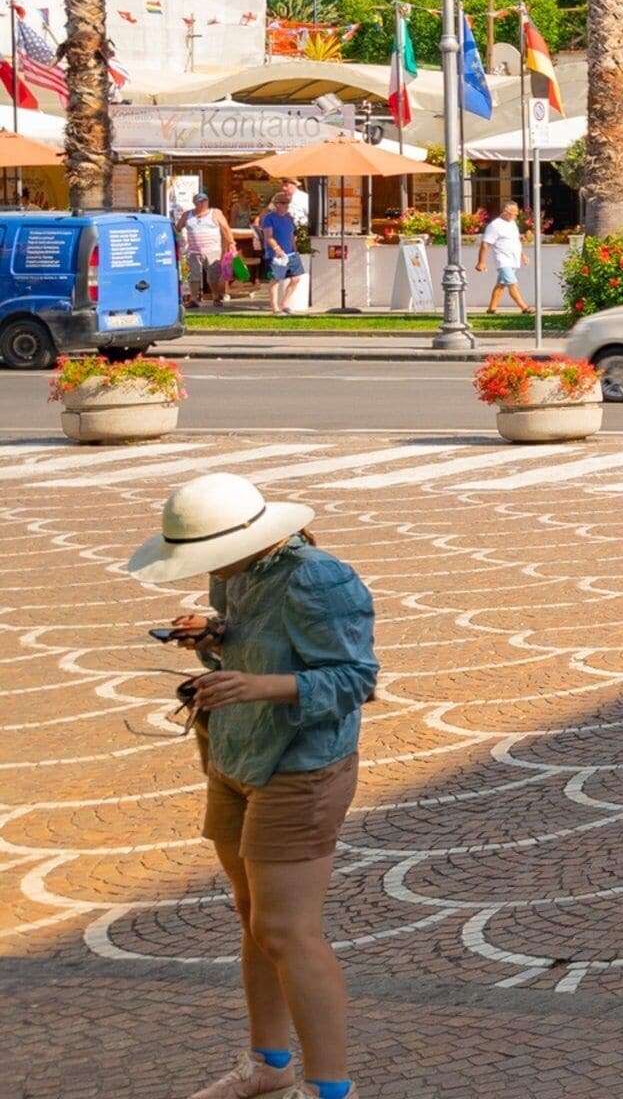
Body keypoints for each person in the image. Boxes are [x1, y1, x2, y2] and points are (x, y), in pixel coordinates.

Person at [127, 471, 377, 1099]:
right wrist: (214, 640)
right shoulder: (234, 569)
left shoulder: (319, 577)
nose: (209, 569)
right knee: (255, 921)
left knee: (289, 931)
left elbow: (357, 680)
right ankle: (269, 1065)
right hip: (235, 751)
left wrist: (258, 685)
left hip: (301, 766)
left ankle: (328, 1090)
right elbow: (253, 650)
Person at [254, 189, 301, 317]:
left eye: (288, 203)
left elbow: (291, 235)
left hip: (290, 253)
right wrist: (276, 248)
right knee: (275, 280)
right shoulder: (269, 218)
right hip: (275, 254)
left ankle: (283, 304)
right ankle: (275, 307)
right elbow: (268, 236)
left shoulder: (289, 218)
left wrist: (295, 249)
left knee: (296, 279)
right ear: (276, 204)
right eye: (284, 203)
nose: (286, 205)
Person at [188, 191, 236, 309]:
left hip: (212, 250)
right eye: (199, 202)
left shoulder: (215, 213)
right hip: (193, 251)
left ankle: (216, 296)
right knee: (193, 276)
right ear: (194, 203)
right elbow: (178, 228)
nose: (202, 204)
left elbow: (225, 228)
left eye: (204, 201)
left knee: (212, 276)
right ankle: (194, 299)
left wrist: (231, 243)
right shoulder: (188, 215)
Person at [479, 202, 528, 315]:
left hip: (513, 260)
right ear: (505, 213)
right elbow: (485, 244)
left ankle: (491, 309)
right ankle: (524, 307)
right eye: (514, 214)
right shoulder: (495, 225)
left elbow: (516, 242)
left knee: (500, 285)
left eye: (517, 214)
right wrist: (481, 262)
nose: (516, 216)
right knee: (512, 284)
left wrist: (523, 255)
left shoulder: (512, 223)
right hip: (503, 260)